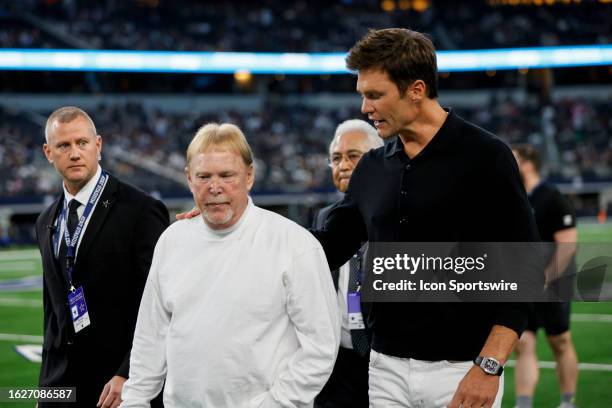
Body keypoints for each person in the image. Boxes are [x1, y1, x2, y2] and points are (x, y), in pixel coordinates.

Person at [312, 28, 539, 407]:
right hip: (384, 370)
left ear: (416, 89)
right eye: (363, 95)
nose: (365, 109)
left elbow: (528, 268)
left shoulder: (486, 157)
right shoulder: (371, 168)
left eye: (375, 95)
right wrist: (238, 223)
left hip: (462, 370)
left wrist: (488, 366)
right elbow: (326, 246)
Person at [121, 123, 340, 407]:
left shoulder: (294, 244)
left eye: (226, 175)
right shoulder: (171, 241)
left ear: (249, 176)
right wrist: (134, 400)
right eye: (203, 176)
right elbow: (151, 336)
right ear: (189, 179)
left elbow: (321, 346)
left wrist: (276, 402)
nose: (215, 186)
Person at [36, 106, 168, 407]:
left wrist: (130, 374)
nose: (74, 153)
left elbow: (157, 305)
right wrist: (46, 390)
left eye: (82, 143)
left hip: (120, 387)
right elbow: (52, 318)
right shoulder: (45, 221)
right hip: (63, 388)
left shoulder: (141, 210)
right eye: (63, 145)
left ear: (98, 145)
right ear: (48, 152)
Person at [313, 119, 383, 408]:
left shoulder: (396, 215)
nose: (342, 164)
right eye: (336, 158)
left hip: (384, 360)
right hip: (336, 365)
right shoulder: (324, 217)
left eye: (353, 156)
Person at [512, 145, 579, 408]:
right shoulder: (514, 198)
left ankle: (567, 402)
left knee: (560, 342)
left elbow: (567, 246)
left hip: (553, 286)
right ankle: (523, 403)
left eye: (514, 159)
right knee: (523, 343)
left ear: (528, 164)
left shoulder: (553, 198)